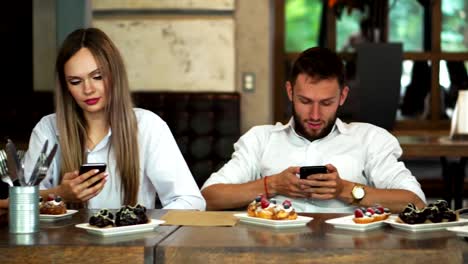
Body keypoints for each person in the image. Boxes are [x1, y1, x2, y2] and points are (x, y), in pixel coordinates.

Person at [201, 47, 426, 213]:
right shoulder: (260, 140)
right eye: (305, 101)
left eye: (326, 103)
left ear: (343, 96)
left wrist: (346, 190)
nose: (315, 115)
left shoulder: (370, 140)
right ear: (290, 92)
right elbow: (209, 198)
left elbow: (415, 202)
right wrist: (272, 185)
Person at [23, 28, 205, 210]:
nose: (88, 89)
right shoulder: (47, 129)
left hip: (135, 238)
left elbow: (191, 202)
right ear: (66, 87)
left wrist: (149, 224)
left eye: (97, 77)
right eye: (75, 82)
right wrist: (60, 193)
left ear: (115, 75)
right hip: (65, 239)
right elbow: (22, 203)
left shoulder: (148, 126)